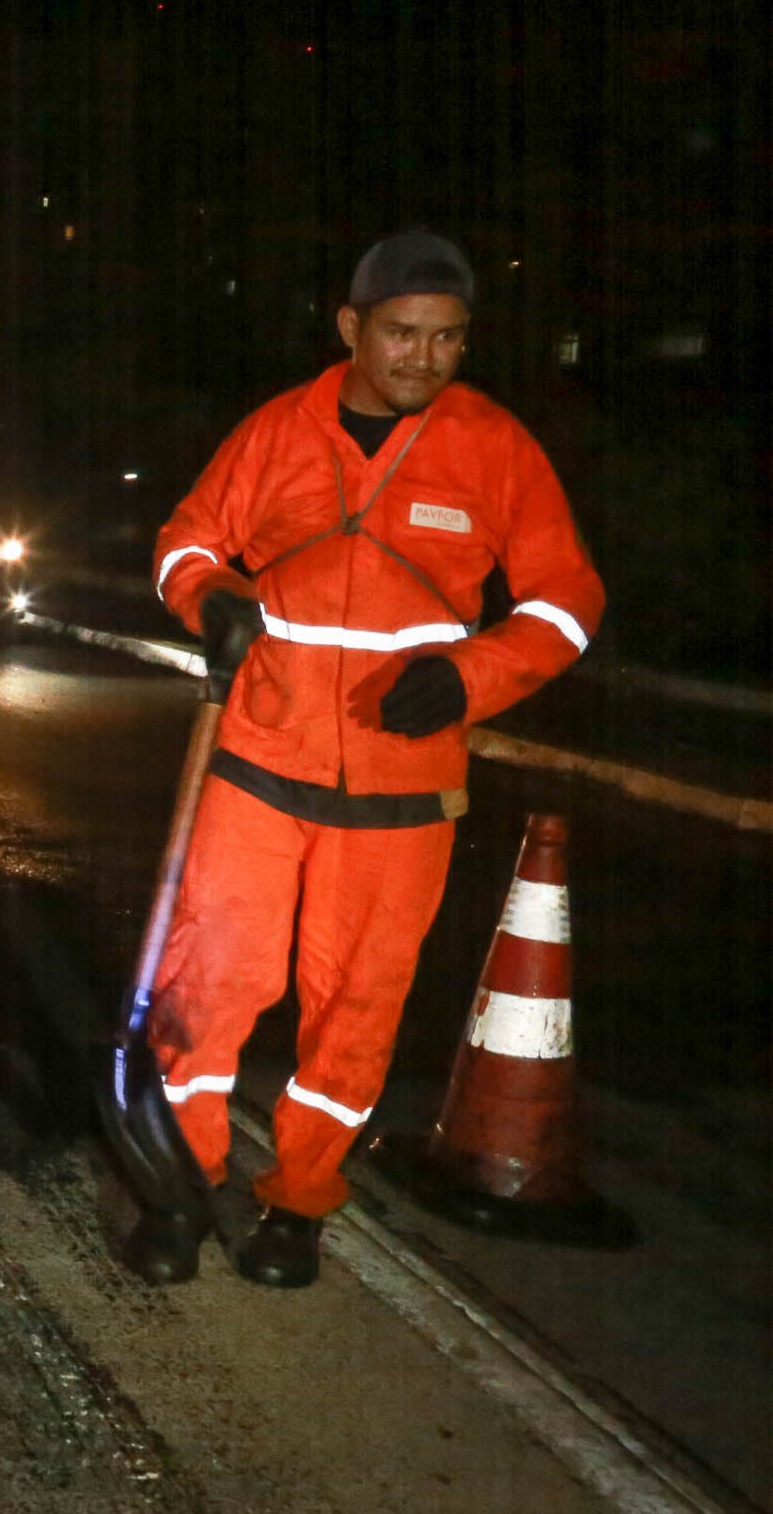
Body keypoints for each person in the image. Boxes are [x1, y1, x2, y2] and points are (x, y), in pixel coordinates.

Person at [131, 232, 605, 1288]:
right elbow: (185, 538)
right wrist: (206, 599)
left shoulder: (495, 447)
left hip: (402, 784)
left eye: (448, 339)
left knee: (358, 1002)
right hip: (260, 756)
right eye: (403, 333)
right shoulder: (279, 429)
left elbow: (569, 602)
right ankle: (178, 1184)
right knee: (209, 978)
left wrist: (476, 676)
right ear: (352, 328)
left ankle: (299, 1202)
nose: (425, 358)